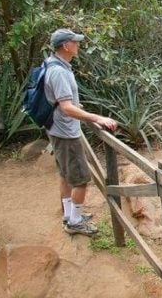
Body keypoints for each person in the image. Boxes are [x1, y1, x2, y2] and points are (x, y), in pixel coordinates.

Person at [43, 28, 118, 236]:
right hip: (66, 133)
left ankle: (69, 216)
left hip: (57, 129)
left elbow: (62, 102)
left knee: (66, 175)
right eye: (75, 42)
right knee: (81, 179)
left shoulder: (54, 64)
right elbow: (66, 107)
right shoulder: (58, 71)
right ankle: (75, 222)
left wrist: (77, 107)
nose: (78, 45)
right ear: (66, 46)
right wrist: (97, 118)